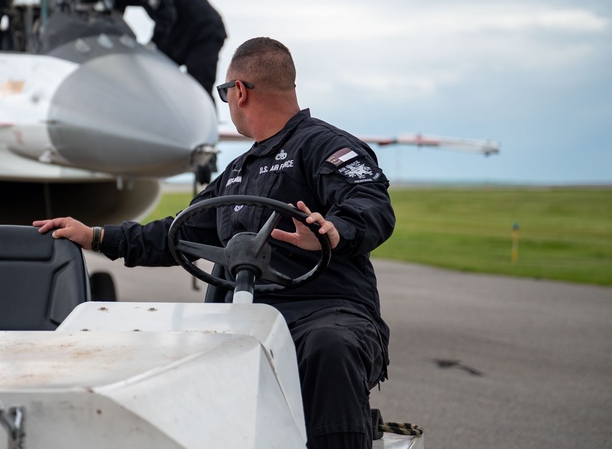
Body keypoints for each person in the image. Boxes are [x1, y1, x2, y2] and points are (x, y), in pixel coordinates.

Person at [34, 37, 393, 449]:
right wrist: (98, 236)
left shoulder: (325, 147)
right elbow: (178, 235)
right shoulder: (238, 172)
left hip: (324, 312)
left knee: (331, 347)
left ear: (238, 91)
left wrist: (333, 231)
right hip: (241, 316)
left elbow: (371, 204)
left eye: (225, 93)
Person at [99, 0, 227, 95]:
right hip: (179, 35)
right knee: (154, 77)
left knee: (198, 89)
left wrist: (153, 46)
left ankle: (205, 118)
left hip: (203, 35)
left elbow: (166, 16)